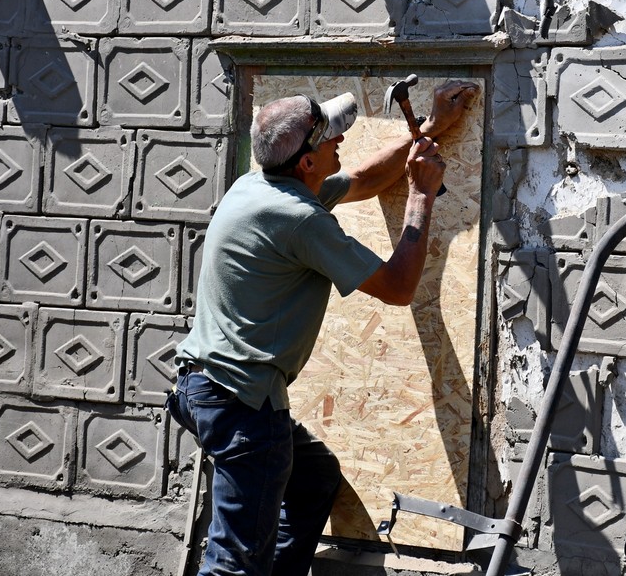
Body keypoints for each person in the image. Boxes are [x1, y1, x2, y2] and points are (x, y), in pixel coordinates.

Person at [166, 79, 478, 576]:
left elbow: (363, 179)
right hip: (243, 409)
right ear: (307, 162)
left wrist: (434, 125)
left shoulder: (261, 186)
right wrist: (421, 196)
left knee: (313, 480)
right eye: (330, 135)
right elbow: (397, 288)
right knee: (233, 566)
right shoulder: (301, 220)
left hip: (200, 388)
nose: (341, 138)